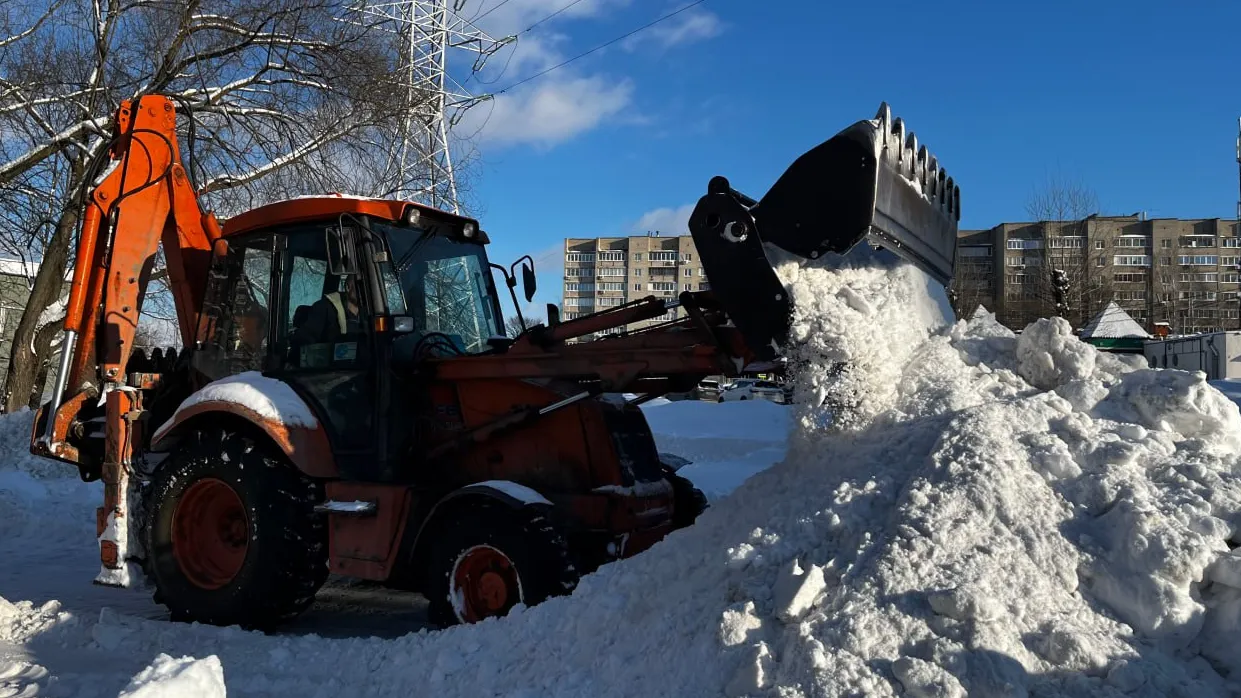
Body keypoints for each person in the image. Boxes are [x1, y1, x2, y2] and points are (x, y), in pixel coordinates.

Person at [294, 274, 363, 346]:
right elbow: (305, 341)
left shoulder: (368, 312)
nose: (365, 289)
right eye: (360, 285)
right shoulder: (324, 309)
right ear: (348, 287)